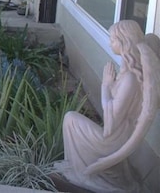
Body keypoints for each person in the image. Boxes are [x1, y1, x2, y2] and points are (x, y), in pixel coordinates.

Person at [59, 20, 146, 192]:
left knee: (70, 119)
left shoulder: (129, 79)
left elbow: (111, 123)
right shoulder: (127, 73)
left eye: (113, 39)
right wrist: (110, 85)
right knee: (71, 120)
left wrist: (105, 86)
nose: (109, 43)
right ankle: (77, 167)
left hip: (113, 140)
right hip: (116, 136)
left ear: (124, 42)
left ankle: (81, 172)